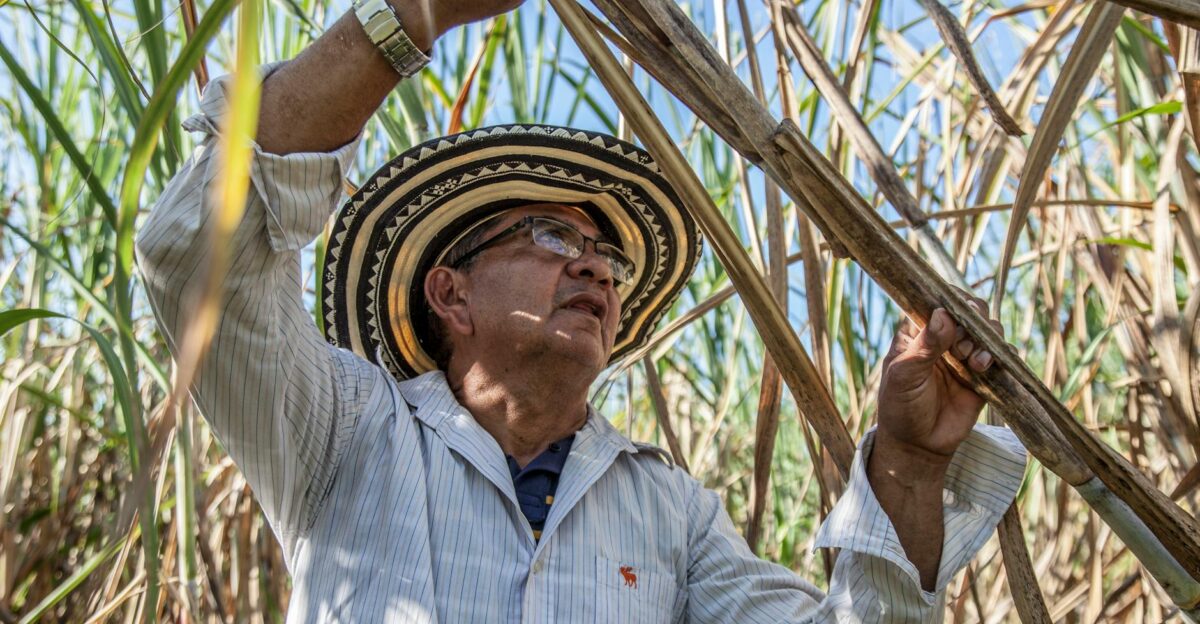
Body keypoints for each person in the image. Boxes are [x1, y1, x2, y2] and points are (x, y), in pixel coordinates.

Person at [135, 0, 1027, 621]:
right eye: (551, 240)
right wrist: (407, 16)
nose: (595, 267)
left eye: (605, 256)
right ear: (451, 293)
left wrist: (909, 465)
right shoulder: (344, 430)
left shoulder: (668, 510)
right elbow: (194, 253)